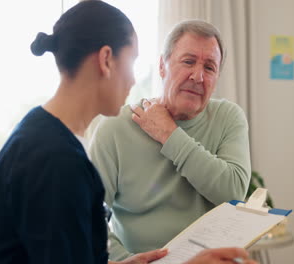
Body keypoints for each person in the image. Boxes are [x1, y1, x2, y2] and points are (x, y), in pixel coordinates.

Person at [0, 1, 255, 264]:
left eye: (209, 67)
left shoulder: (45, 139)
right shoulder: (56, 161)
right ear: (106, 60)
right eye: (132, 61)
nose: (132, 79)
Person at [89, 19, 251, 261]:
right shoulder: (114, 128)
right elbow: (89, 217)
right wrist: (128, 262)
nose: (198, 76)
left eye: (209, 67)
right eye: (188, 61)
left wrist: (170, 135)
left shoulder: (228, 118)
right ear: (162, 66)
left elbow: (233, 191)